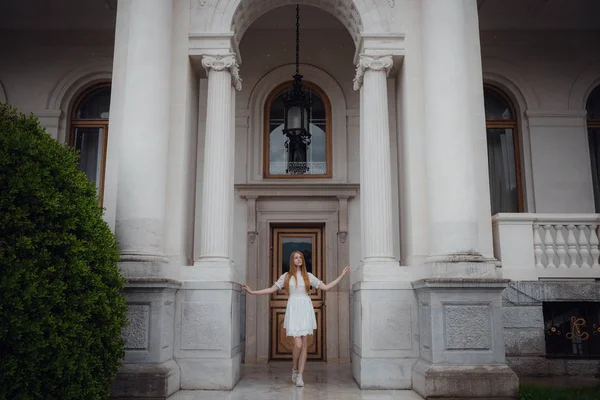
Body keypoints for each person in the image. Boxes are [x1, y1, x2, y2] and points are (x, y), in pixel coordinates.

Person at [242, 251, 350, 387]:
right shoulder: (286, 277)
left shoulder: (308, 276)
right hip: (293, 309)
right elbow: (271, 289)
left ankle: (300, 376)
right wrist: (253, 292)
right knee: (297, 344)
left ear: (303, 260)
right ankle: (294, 368)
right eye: (296, 257)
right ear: (292, 260)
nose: (298, 259)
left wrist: (341, 275)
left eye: (300, 258)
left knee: (304, 344)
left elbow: (326, 287)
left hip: (305, 309)